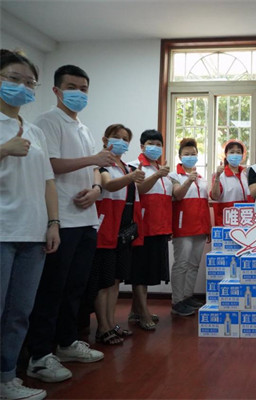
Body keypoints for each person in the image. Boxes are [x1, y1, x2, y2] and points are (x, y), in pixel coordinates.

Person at [27, 64, 106, 384]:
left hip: (86, 219)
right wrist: (93, 160)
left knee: (75, 288)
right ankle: (39, 355)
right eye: (72, 88)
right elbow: (49, 165)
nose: (79, 94)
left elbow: (94, 169)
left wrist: (97, 188)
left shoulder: (83, 127)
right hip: (61, 219)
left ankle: (66, 342)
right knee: (52, 290)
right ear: (56, 90)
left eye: (84, 89)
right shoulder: (47, 121)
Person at [0, 49, 59, 400]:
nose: (22, 87)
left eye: (29, 82)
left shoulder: (35, 131)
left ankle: (6, 378)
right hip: (2, 231)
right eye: (13, 79)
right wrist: (4, 149)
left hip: (33, 233)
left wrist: (53, 223)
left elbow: (48, 181)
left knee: (20, 312)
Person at [91, 124, 144, 344]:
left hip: (123, 231)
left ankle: (112, 323)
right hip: (105, 228)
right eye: (116, 137)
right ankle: (102, 327)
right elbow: (109, 186)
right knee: (103, 282)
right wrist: (131, 178)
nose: (121, 142)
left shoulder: (126, 167)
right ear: (105, 140)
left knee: (115, 281)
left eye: (125, 139)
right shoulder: (101, 164)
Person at [128, 129, 172, 330]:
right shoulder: (134, 166)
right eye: (151, 143)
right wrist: (156, 176)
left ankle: (135, 311)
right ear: (142, 146)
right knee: (140, 271)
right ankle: (143, 313)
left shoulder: (160, 169)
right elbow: (138, 190)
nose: (155, 147)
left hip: (159, 226)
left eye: (158, 144)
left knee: (148, 270)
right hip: (142, 226)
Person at [169, 138, 210, 316]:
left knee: (194, 264)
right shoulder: (174, 176)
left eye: (193, 154)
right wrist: (188, 181)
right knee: (181, 264)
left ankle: (187, 296)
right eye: (187, 154)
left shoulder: (201, 179)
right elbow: (178, 195)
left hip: (200, 228)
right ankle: (177, 301)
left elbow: (204, 204)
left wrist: (207, 228)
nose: (190, 157)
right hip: (182, 227)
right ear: (180, 156)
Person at [210, 139, 250, 226]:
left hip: (245, 220)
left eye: (238, 152)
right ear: (226, 155)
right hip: (226, 222)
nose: (235, 155)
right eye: (232, 152)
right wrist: (217, 177)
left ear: (242, 156)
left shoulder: (246, 174)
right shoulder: (220, 175)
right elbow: (214, 196)